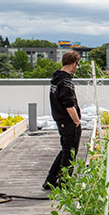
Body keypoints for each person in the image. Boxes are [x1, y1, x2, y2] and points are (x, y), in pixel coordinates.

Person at [43, 50, 82, 189]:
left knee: (65, 150)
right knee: (70, 154)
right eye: (76, 65)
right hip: (68, 122)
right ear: (73, 64)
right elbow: (69, 104)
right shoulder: (65, 82)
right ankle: (65, 183)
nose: (76, 68)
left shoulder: (56, 78)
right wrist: (77, 121)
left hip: (60, 121)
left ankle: (51, 180)